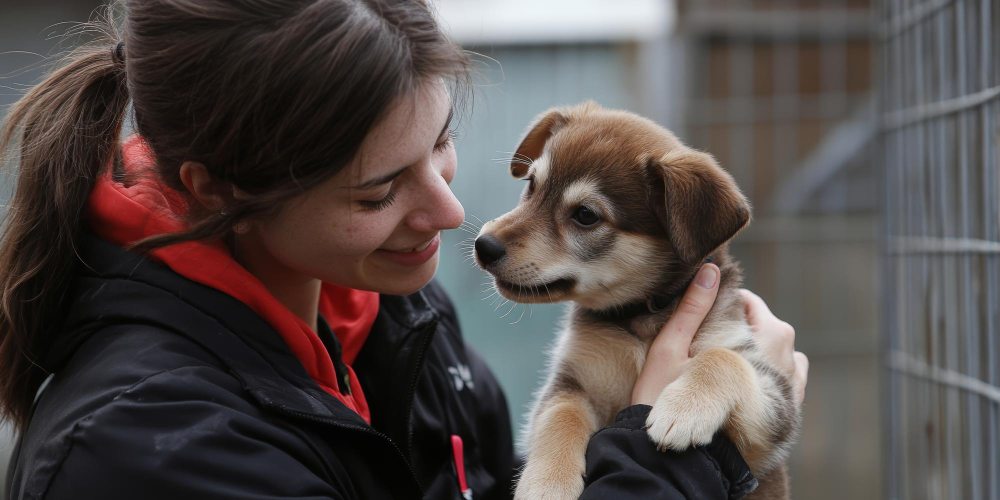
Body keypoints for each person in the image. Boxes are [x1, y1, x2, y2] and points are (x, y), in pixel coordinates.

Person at [0, 1, 808, 498]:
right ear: (217, 190)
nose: (455, 213)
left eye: (443, 143)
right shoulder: (147, 452)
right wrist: (680, 470)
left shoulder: (391, 308)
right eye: (377, 192)